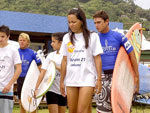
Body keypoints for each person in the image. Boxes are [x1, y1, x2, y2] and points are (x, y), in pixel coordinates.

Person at [93, 10, 139, 113]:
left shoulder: (119, 36)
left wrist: (136, 76)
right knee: (103, 110)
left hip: (118, 76)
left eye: (99, 22)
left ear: (107, 21)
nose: (96, 25)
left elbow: (132, 55)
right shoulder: (94, 38)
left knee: (122, 109)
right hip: (102, 77)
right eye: (95, 23)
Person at [60, 8, 103, 113]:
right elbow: (64, 60)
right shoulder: (66, 37)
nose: (71, 24)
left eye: (74, 22)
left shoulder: (93, 36)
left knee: (81, 111)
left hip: (87, 78)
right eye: (69, 22)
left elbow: (97, 59)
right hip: (71, 79)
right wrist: (61, 81)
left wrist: (99, 80)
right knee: (72, 111)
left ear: (82, 21)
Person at [35, 32, 67, 113]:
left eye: (54, 41)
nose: (51, 44)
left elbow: (68, 72)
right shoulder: (50, 56)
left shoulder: (67, 56)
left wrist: (55, 66)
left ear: (61, 42)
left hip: (63, 90)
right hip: (51, 89)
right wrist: (36, 88)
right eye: (51, 41)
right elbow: (42, 72)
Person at [17, 32, 41, 113]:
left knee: (32, 106)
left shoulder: (33, 53)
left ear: (28, 42)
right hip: (20, 79)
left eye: (24, 40)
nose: (22, 42)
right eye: (20, 40)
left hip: (30, 81)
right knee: (22, 104)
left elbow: (40, 68)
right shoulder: (15, 52)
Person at [0, 25, 22, 113]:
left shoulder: (13, 50)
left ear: (8, 37)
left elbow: (19, 69)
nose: (0, 39)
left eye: (3, 36)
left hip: (5, 89)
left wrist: (9, 85)